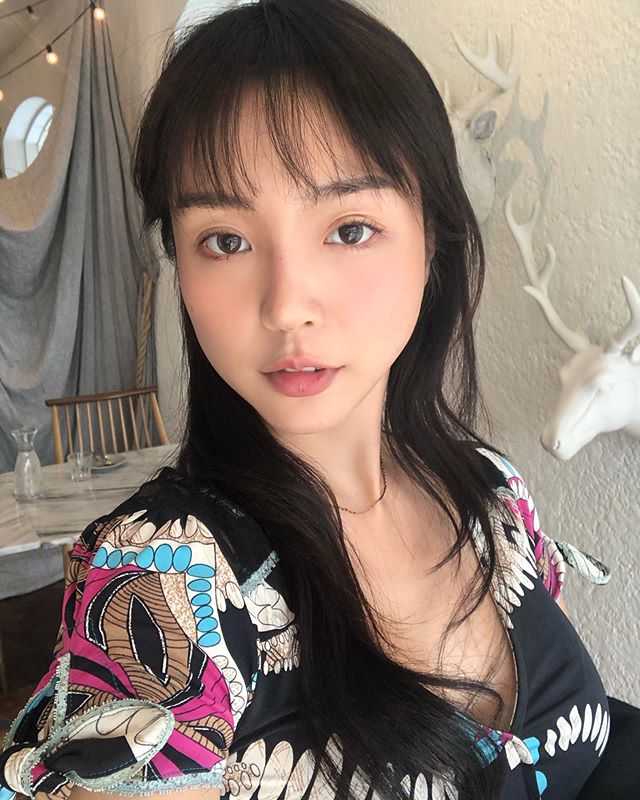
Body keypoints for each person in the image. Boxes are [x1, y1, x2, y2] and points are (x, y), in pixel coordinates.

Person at [0, 1, 615, 799]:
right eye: (225, 240)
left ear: (431, 239)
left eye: (349, 228)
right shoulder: (169, 576)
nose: (286, 305)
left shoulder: (494, 494)